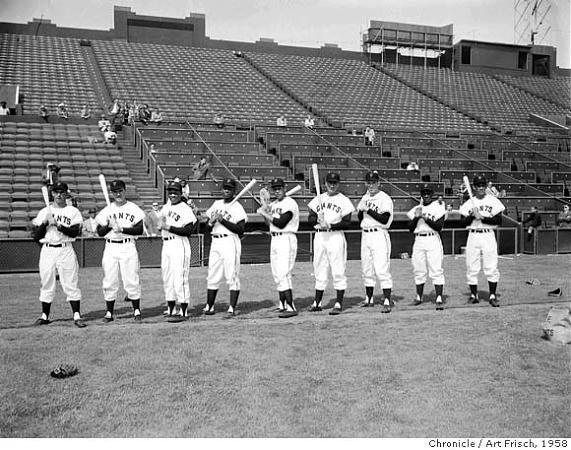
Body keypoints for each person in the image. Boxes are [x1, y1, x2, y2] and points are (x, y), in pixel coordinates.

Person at [30, 182, 86, 328]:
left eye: (62, 192)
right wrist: (45, 223)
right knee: (47, 281)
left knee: (70, 282)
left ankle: (77, 315)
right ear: (52, 194)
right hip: (48, 249)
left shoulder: (72, 211)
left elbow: (75, 232)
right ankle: (44, 316)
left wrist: (59, 226)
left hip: (65, 249)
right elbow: (36, 236)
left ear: (66, 193)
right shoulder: (44, 212)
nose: (59, 194)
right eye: (56, 192)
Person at [95, 179, 146, 322]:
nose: (118, 194)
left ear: (125, 191)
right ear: (111, 193)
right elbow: (100, 232)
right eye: (115, 192)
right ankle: (109, 313)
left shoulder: (133, 208)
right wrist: (109, 226)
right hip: (111, 247)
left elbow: (139, 229)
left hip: (127, 245)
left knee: (131, 278)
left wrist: (122, 229)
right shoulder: (107, 210)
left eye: (120, 191)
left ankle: (136, 310)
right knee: (110, 280)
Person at [307, 172, 355, 315]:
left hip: (335, 236)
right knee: (319, 268)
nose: (332, 185)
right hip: (320, 237)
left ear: (338, 184)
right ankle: (317, 302)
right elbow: (310, 219)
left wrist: (330, 226)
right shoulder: (318, 199)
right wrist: (317, 220)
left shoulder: (344, 200)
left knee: (338, 269)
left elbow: (347, 223)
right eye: (329, 182)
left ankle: (339, 303)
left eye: (335, 182)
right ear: (325, 183)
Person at [459, 174, 505, 307]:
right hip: (473, 235)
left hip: (488, 235)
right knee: (471, 265)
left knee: (491, 265)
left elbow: (498, 220)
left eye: (483, 185)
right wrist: (472, 216)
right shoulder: (469, 203)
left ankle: (492, 295)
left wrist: (482, 217)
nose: (480, 187)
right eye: (478, 185)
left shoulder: (493, 200)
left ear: (486, 186)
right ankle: (474, 295)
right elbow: (462, 223)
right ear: (473, 187)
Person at [203, 178, 248, 316]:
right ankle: (209, 306)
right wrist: (210, 222)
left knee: (231, 274)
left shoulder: (237, 207)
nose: (226, 190)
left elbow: (240, 229)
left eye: (229, 188)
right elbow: (207, 225)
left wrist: (223, 220)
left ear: (234, 191)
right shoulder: (216, 204)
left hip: (230, 241)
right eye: (224, 187)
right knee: (212, 274)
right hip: (216, 240)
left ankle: (232, 308)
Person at [256, 178, 300, 318]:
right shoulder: (274, 204)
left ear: (285, 187)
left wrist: (264, 213)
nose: (277, 191)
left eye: (279, 188)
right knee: (276, 273)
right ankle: (282, 305)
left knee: (283, 272)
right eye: (274, 188)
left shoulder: (290, 203)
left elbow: (281, 223)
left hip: (286, 237)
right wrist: (265, 209)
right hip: (274, 238)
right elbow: (269, 223)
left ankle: (291, 306)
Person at [158, 181, 197, 322]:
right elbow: (159, 224)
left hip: (179, 243)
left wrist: (168, 227)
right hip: (166, 244)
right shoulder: (165, 207)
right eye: (170, 192)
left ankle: (184, 311)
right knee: (167, 277)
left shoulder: (184, 208)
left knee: (179, 277)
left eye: (175, 192)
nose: (173, 195)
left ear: (181, 194)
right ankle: (171, 308)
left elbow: (188, 231)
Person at [357, 171, 394, 312]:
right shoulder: (364, 197)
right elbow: (361, 218)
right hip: (365, 234)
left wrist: (368, 210)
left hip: (379, 234)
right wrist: (361, 211)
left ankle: (386, 300)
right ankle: (369, 298)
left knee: (382, 268)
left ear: (379, 183)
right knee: (367, 268)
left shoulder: (385, 198)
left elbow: (385, 219)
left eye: (374, 182)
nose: (371, 185)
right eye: (369, 182)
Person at [406, 185, 446, 311]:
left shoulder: (438, 207)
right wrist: (417, 217)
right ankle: (419, 297)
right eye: (424, 193)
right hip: (419, 239)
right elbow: (410, 228)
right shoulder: (416, 209)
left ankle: (439, 298)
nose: (426, 195)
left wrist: (424, 217)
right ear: (421, 195)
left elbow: (439, 226)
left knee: (436, 269)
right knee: (419, 269)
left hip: (432, 238)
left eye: (428, 193)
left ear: (432, 194)